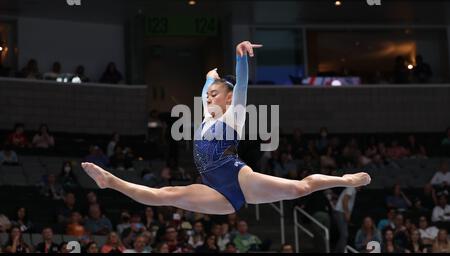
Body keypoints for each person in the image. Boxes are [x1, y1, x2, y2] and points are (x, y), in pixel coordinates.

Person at [81, 41, 371, 216]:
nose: (207, 100)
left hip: (239, 178)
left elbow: (240, 84)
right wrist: (209, 79)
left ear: (229, 98)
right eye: (206, 98)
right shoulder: (206, 118)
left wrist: (240, 55)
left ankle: (344, 179)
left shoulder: (234, 115)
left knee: (300, 188)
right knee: (165, 195)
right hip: (217, 192)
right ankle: (111, 182)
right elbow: (208, 86)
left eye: (214, 96)